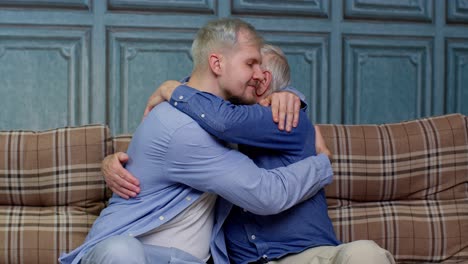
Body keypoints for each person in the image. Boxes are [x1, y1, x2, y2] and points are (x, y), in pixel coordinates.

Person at [59, 18, 334, 264]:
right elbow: (264, 194)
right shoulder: (183, 129)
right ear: (217, 63)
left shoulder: (219, 118)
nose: (260, 74)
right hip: (131, 252)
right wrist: (321, 164)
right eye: (251, 63)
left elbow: (233, 114)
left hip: (187, 259)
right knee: (123, 251)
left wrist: (290, 95)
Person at [105, 44, 396, 264]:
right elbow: (173, 139)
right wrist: (109, 162)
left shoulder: (288, 119)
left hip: (303, 256)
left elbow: (224, 120)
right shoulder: (211, 130)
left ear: (262, 80)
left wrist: (173, 88)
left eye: (248, 69)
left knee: (364, 253)